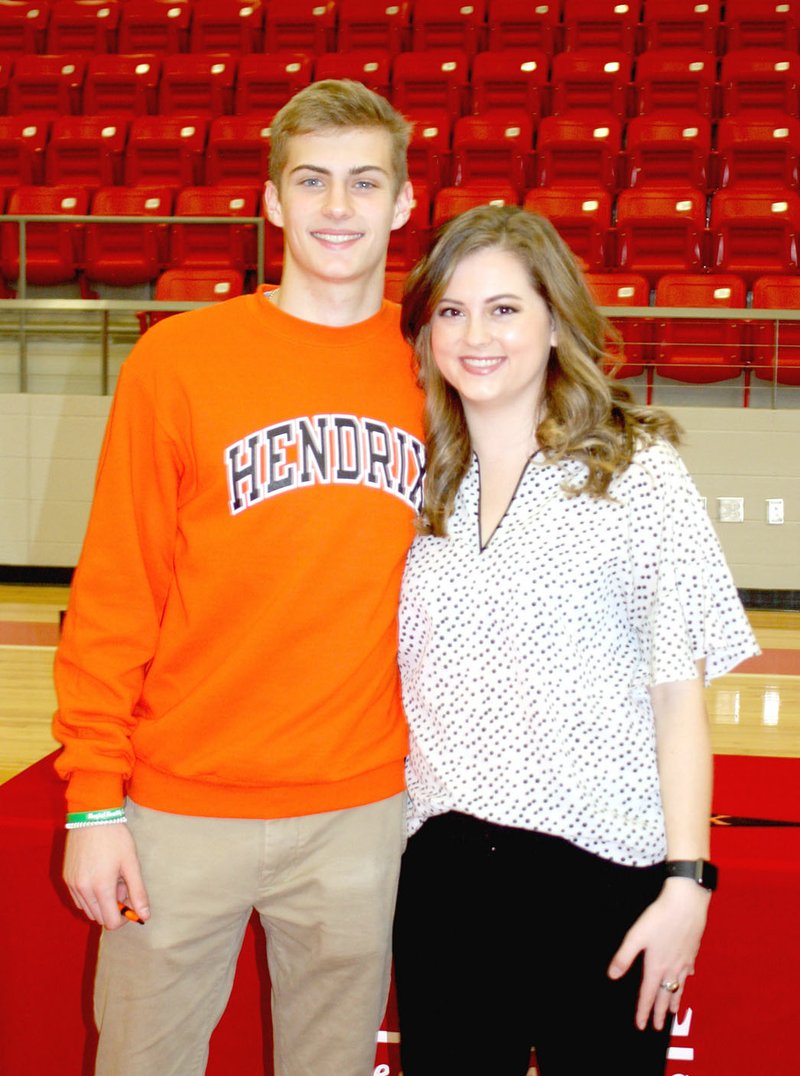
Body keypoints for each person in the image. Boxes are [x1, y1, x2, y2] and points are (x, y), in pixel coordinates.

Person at [52, 79, 424, 1076]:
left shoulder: (438, 366)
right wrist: (94, 798)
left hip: (361, 806)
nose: (336, 207)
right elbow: (116, 587)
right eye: (311, 181)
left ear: (400, 202)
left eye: (361, 182)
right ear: (271, 201)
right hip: (178, 804)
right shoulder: (179, 359)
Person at [391, 204, 760, 1076]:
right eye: (451, 310)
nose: (475, 334)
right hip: (442, 879)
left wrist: (686, 882)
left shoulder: (638, 473)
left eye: (504, 308)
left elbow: (679, 699)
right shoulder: (414, 485)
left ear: (556, 321)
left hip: (603, 880)